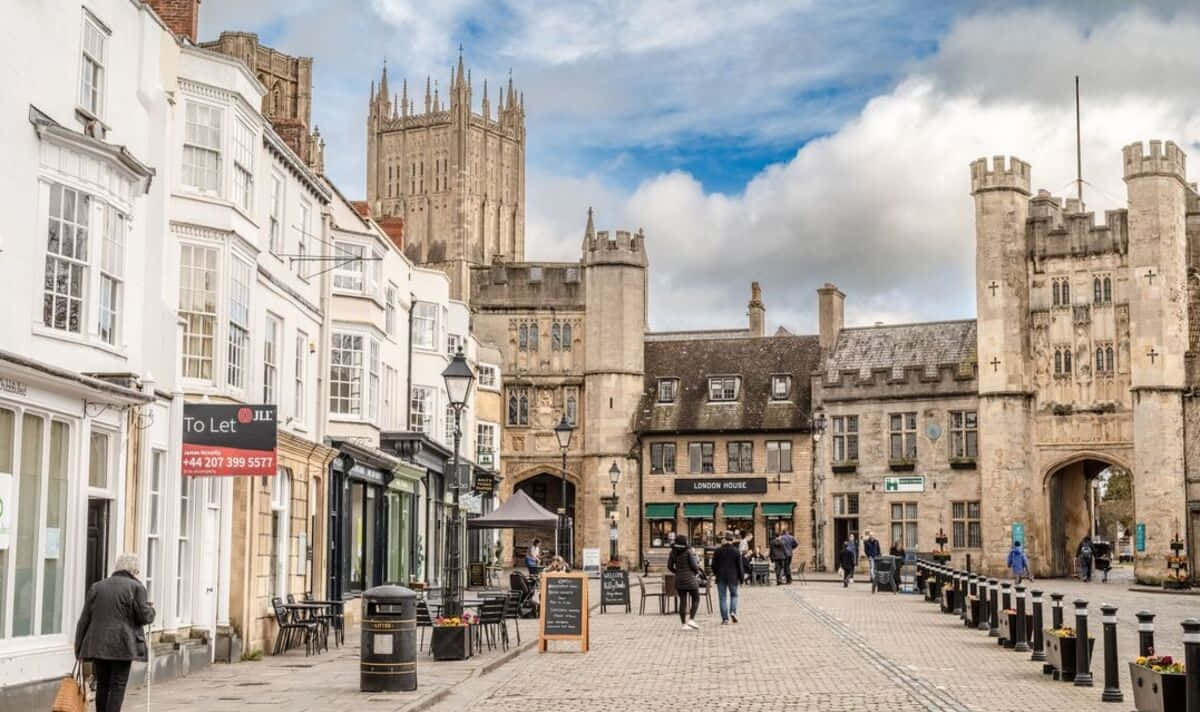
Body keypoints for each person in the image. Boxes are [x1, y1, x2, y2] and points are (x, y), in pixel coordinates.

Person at [74, 553, 155, 712]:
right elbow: (145, 617)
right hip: (123, 644)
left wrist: (78, 648)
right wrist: (151, 609)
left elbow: (84, 619)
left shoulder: (97, 586)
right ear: (134, 571)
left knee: (102, 683)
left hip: (98, 644)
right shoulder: (137, 587)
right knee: (118, 684)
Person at [668, 534, 702, 631]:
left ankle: (683, 624)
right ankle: (691, 619)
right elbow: (694, 566)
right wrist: (697, 572)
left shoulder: (672, 552)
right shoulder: (688, 552)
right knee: (696, 599)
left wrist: (677, 572)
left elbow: (669, 566)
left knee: (682, 601)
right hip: (690, 579)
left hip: (679, 579)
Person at [711, 532, 744, 624]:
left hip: (721, 576)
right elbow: (740, 566)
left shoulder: (718, 551)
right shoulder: (736, 551)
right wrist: (741, 579)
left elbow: (713, 565)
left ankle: (725, 619)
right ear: (732, 540)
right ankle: (733, 612)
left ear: (725, 539)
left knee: (722, 598)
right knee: (734, 595)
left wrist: (716, 573)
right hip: (733, 577)